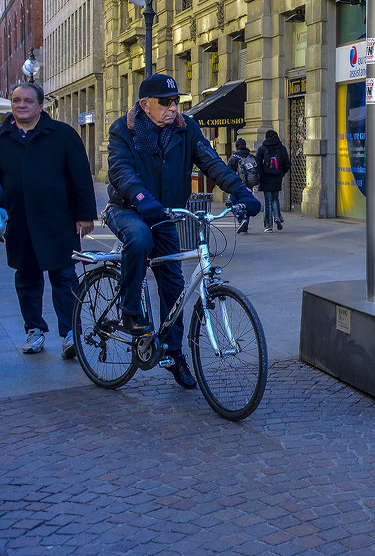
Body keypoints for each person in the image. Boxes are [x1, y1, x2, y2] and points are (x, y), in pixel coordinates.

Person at [106, 73, 261, 388]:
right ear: (145, 104)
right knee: (138, 238)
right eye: (166, 102)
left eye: (176, 101)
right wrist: (142, 199)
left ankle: (175, 356)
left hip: (165, 214)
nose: (173, 107)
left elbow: (212, 163)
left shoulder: (185, 128)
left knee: (174, 287)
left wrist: (241, 191)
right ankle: (131, 310)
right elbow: (120, 169)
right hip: (127, 208)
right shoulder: (124, 129)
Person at [0, 82, 97, 359]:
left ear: (40, 105)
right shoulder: (3, 137)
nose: (21, 105)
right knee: (27, 279)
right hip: (20, 223)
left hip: (59, 222)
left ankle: (70, 334)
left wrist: (85, 215)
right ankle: (34, 330)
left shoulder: (62, 135)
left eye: (28, 101)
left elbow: (80, 176)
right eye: (17, 100)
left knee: (65, 279)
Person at [256, 129, 291, 233]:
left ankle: (268, 226)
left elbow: (257, 163)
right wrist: (280, 174)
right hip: (277, 178)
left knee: (268, 201)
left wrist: (260, 176)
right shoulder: (282, 148)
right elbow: (286, 164)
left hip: (266, 178)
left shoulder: (262, 148)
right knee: (275, 199)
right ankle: (277, 216)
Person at [227, 138, 256, 234]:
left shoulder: (233, 158)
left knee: (231, 204)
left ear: (236, 146)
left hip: (237, 185)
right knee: (246, 204)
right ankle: (245, 225)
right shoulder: (250, 156)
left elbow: (228, 172)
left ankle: (241, 220)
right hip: (248, 186)